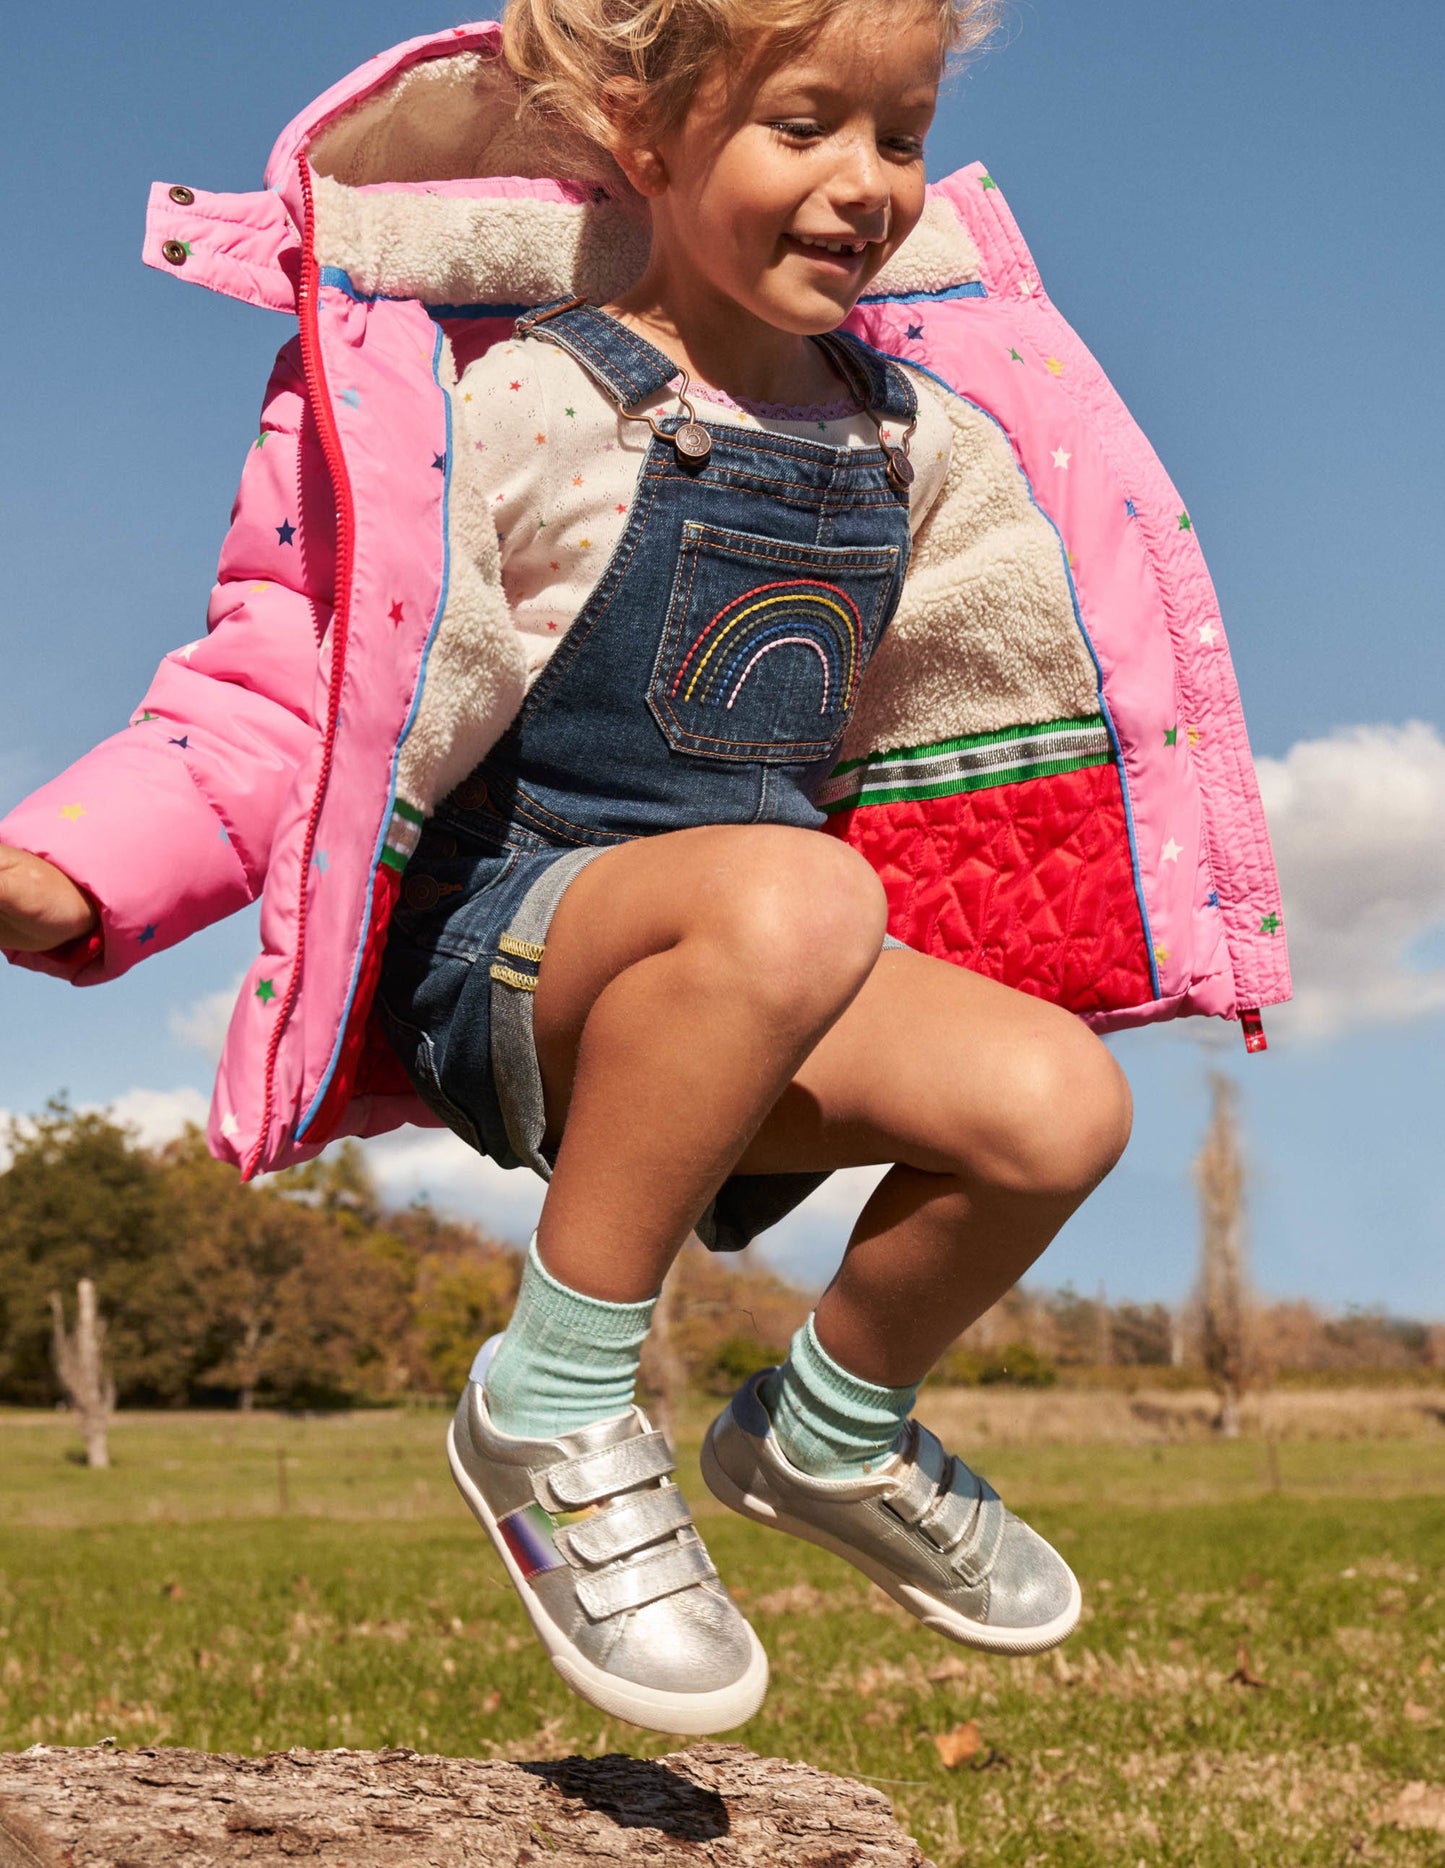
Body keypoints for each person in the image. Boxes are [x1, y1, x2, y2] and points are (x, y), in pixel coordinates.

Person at [0, 0, 1289, 1737]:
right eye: (803, 125)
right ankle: (550, 1396)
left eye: (895, 139)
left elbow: (1011, 691)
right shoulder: (539, 397)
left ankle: (825, 1433)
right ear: (648, 137)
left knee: (1054, 1107)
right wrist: (75, 866)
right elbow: (311, 682)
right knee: (798, 892)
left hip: (750, 974)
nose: (861, 185)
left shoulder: (910, 440)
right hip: (515, 952)